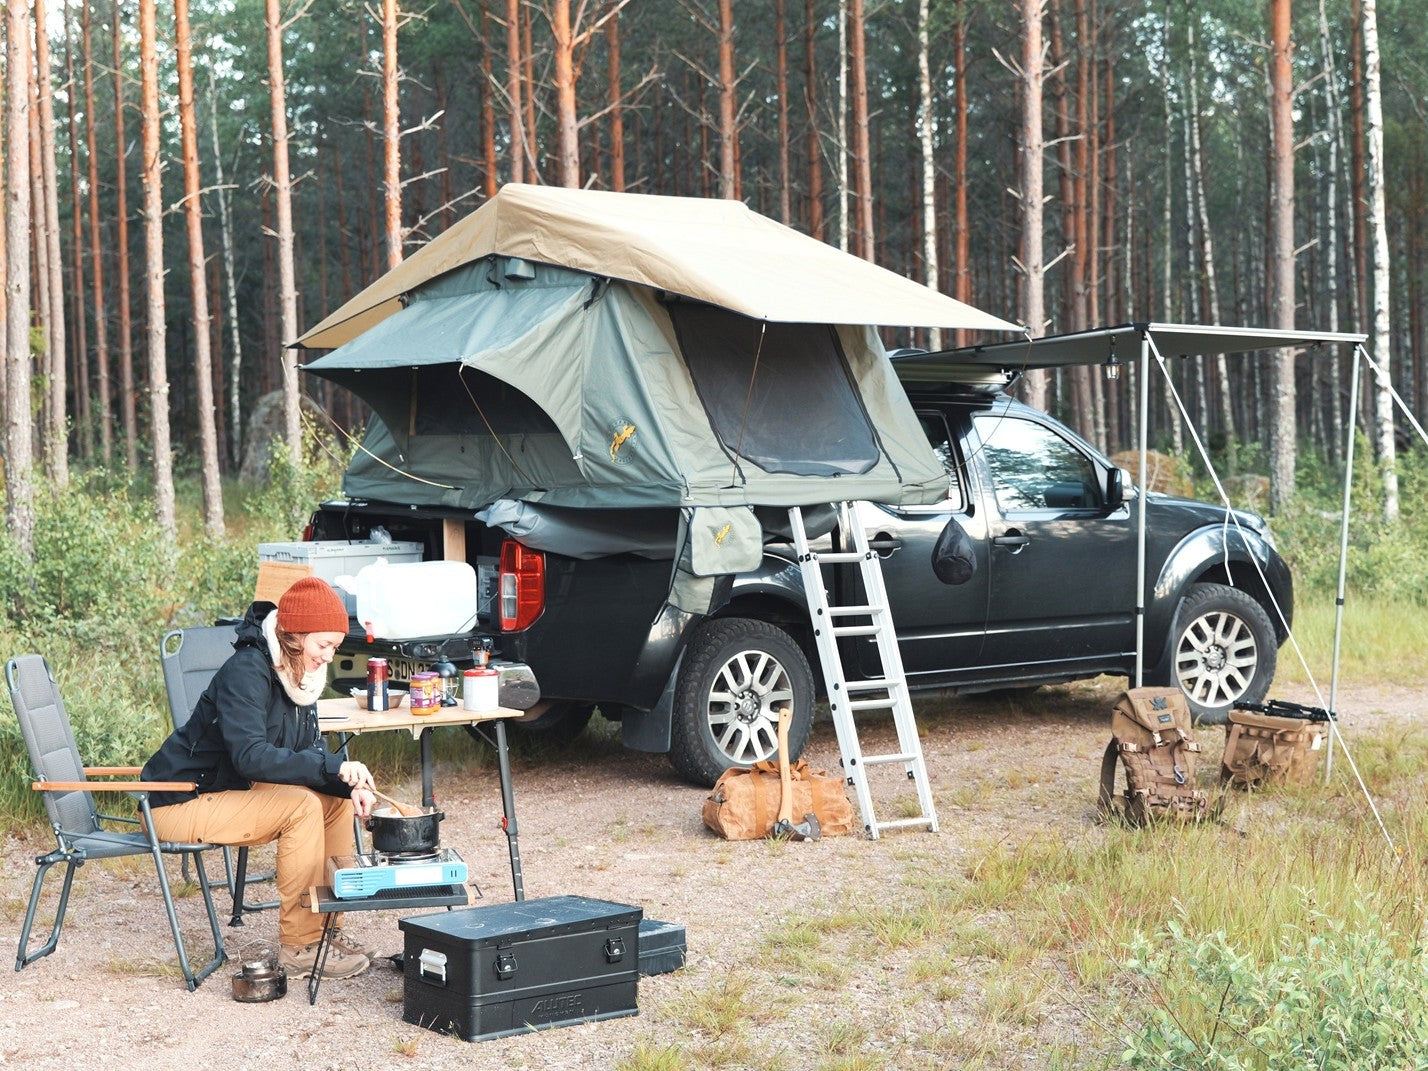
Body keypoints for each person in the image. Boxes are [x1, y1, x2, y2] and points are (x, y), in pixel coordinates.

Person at [142, 577, 377, 979]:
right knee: (301, 807)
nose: (329, 656)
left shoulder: (299, 678)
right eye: (324, 644)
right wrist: (332, 767)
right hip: (179, 799)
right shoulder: (248, 670)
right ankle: (299, 947)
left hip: (230, 792)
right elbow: (251, 757)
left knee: (334, 803)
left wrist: (346, 782)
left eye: (335, 647)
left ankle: (327, 930)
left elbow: (308, 754)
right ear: (296, 635)